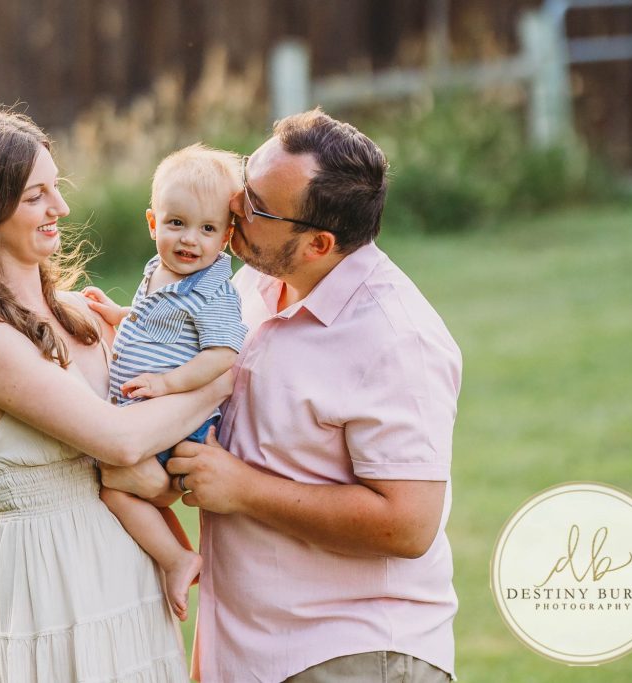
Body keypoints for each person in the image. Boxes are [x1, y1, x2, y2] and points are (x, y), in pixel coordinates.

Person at [0, 108, 230, 683]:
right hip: (55, 584)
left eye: (56, 188)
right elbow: (121, 441)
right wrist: (224, 381)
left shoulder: (83, 313)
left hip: (130, 573)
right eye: (36, 196)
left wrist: (163, 478)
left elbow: (153, 450)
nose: (60, 207)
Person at [165, 109, 463, 682]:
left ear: (317, 244)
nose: (234, 205)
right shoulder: (254, 281)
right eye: (246, 181)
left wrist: (242, 488)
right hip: (250, 651)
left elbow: (408, 524)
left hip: (352, 655)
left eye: (257, 206)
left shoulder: (396, 338)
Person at [81, 144, 248, 622]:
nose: (189, 239)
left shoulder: (212, 291)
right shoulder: (160, 270)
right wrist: (120, 315)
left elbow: (223, 353)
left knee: (115, 490)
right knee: (131, 490)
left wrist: (168, 383)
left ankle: (176, 559)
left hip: (179, 425)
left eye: (208, 229)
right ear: (153, 223)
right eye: (177, 223)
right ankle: (181, 556)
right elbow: (158, 323)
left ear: (227, 236)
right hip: (154, 414)